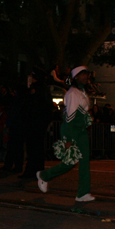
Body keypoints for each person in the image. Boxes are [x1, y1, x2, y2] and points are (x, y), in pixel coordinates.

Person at [36, 66, 94, 202]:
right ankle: (44, 176)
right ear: (75, 77)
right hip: (73, 131)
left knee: (85, 162)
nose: (85, 77)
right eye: (82, 74)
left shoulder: (82, 91)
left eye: (86, 74)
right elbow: (69, 117)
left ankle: (83, 193)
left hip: (82, 131)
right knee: (70, 162)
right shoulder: (73, 93)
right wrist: (68, 138)